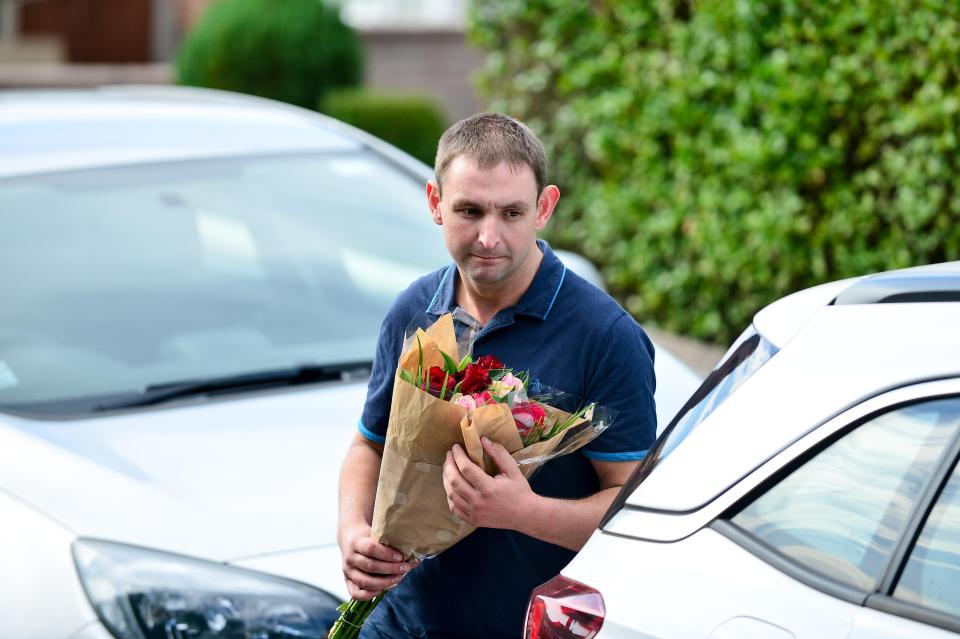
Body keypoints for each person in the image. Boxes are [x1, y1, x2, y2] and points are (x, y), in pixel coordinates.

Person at [337, 113, 656, 638]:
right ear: (436, 204)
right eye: (470, 210)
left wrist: (523, 512)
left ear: (544, 208)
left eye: (511, 212)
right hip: (399, 624)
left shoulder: (605, 337)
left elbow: (632, 512)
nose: (489, 236)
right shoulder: (413, 310)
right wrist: (352, 533)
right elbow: (368, 446)